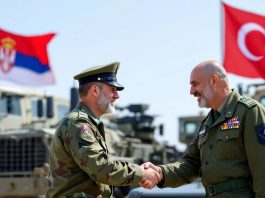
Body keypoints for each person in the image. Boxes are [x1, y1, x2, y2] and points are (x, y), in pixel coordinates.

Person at [141, 60, 265, 197]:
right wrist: (160, 173)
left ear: (213, 80)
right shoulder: (207, 123)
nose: (191, 91)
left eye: (195, 84)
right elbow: (190, 164)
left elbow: (262, 169)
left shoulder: (249, 112)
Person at [46, 61, 160, 198]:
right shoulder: (78, 123)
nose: (117, 96)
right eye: (112, 89)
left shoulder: (87, 122)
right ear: (95, 90)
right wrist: (141, 173)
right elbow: (101, 168)